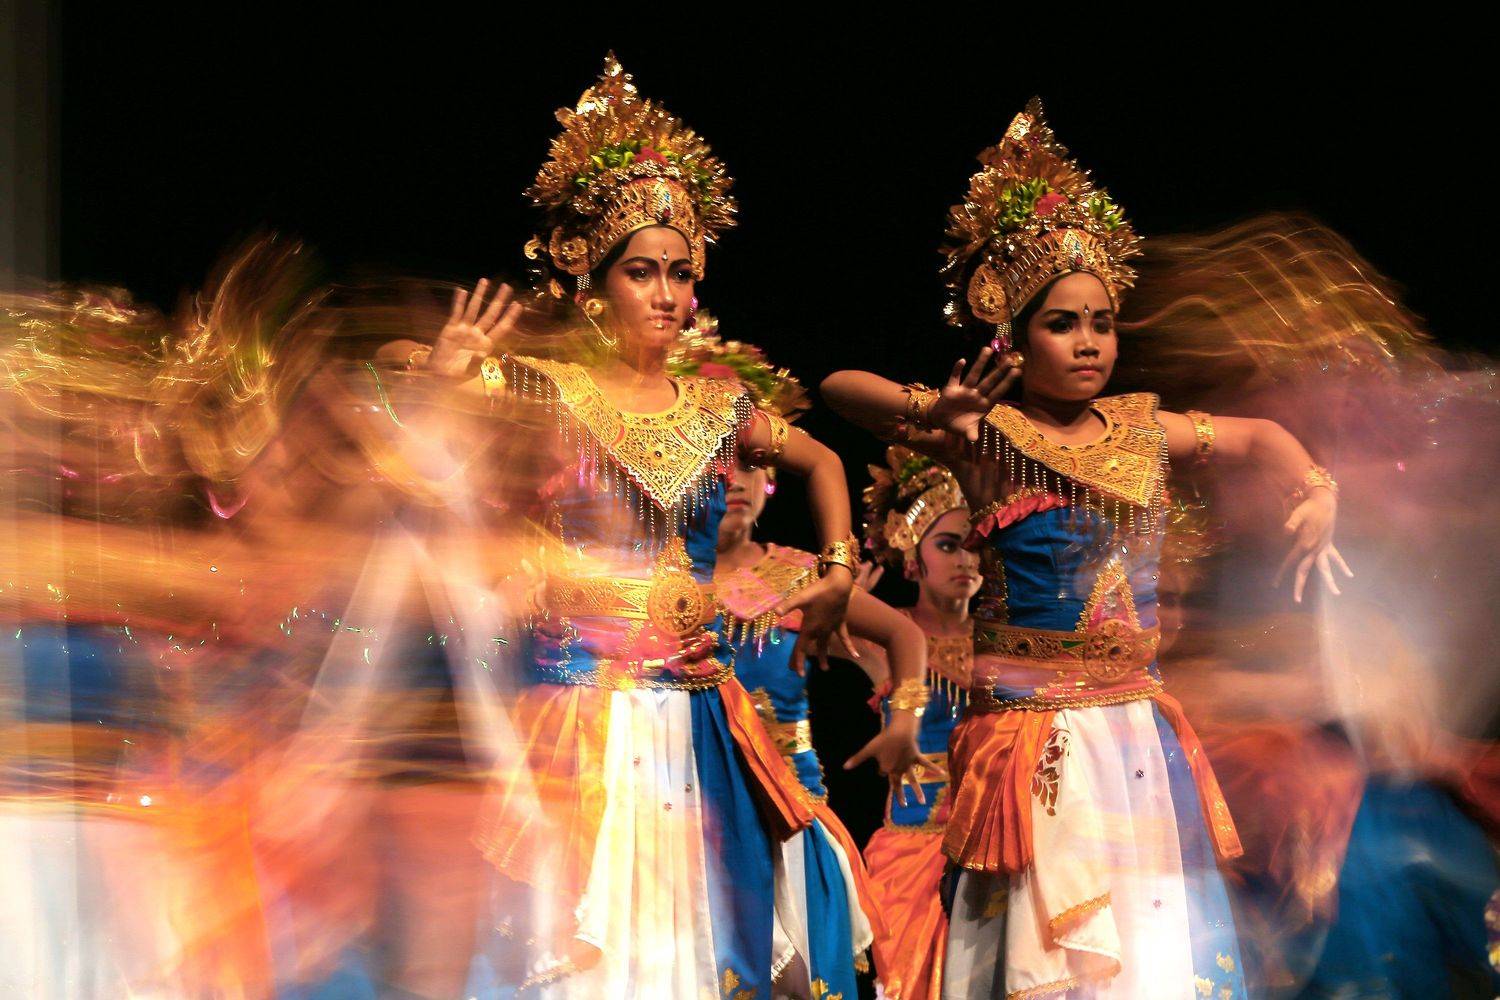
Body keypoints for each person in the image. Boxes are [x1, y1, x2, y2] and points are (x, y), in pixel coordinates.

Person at [821, 99, 1351, 999]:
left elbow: (1261, 437)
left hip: (1135, 726)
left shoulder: (1144, 431)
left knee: (1148, 954)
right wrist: (936, 413)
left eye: (1101, 322)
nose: (1089, 342)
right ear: (1014, 338)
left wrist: (1318, 491)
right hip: (1035, 734)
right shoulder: (989, 437)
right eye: (1062, 324)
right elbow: (841, 388)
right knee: (1049, 955)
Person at [383, 55, 860, 997]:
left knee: (699, 934)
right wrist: (438, 372)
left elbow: (822, 460)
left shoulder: (719, 406)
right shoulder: (546, 389)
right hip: (587, 711)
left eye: (680, 273)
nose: (666, 294)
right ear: (592, 283)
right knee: (598, 946)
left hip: (700, 706)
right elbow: (400, 392)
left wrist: (839, 568)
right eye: (641, 273)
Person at [853, 446, 979, 1000]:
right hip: (911, 858)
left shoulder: (1009, 641)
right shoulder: (886, 636)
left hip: (996, 847)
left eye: (974, 547)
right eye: (947, 545)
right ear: (911, 552)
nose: (965, 560)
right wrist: (845, 605)